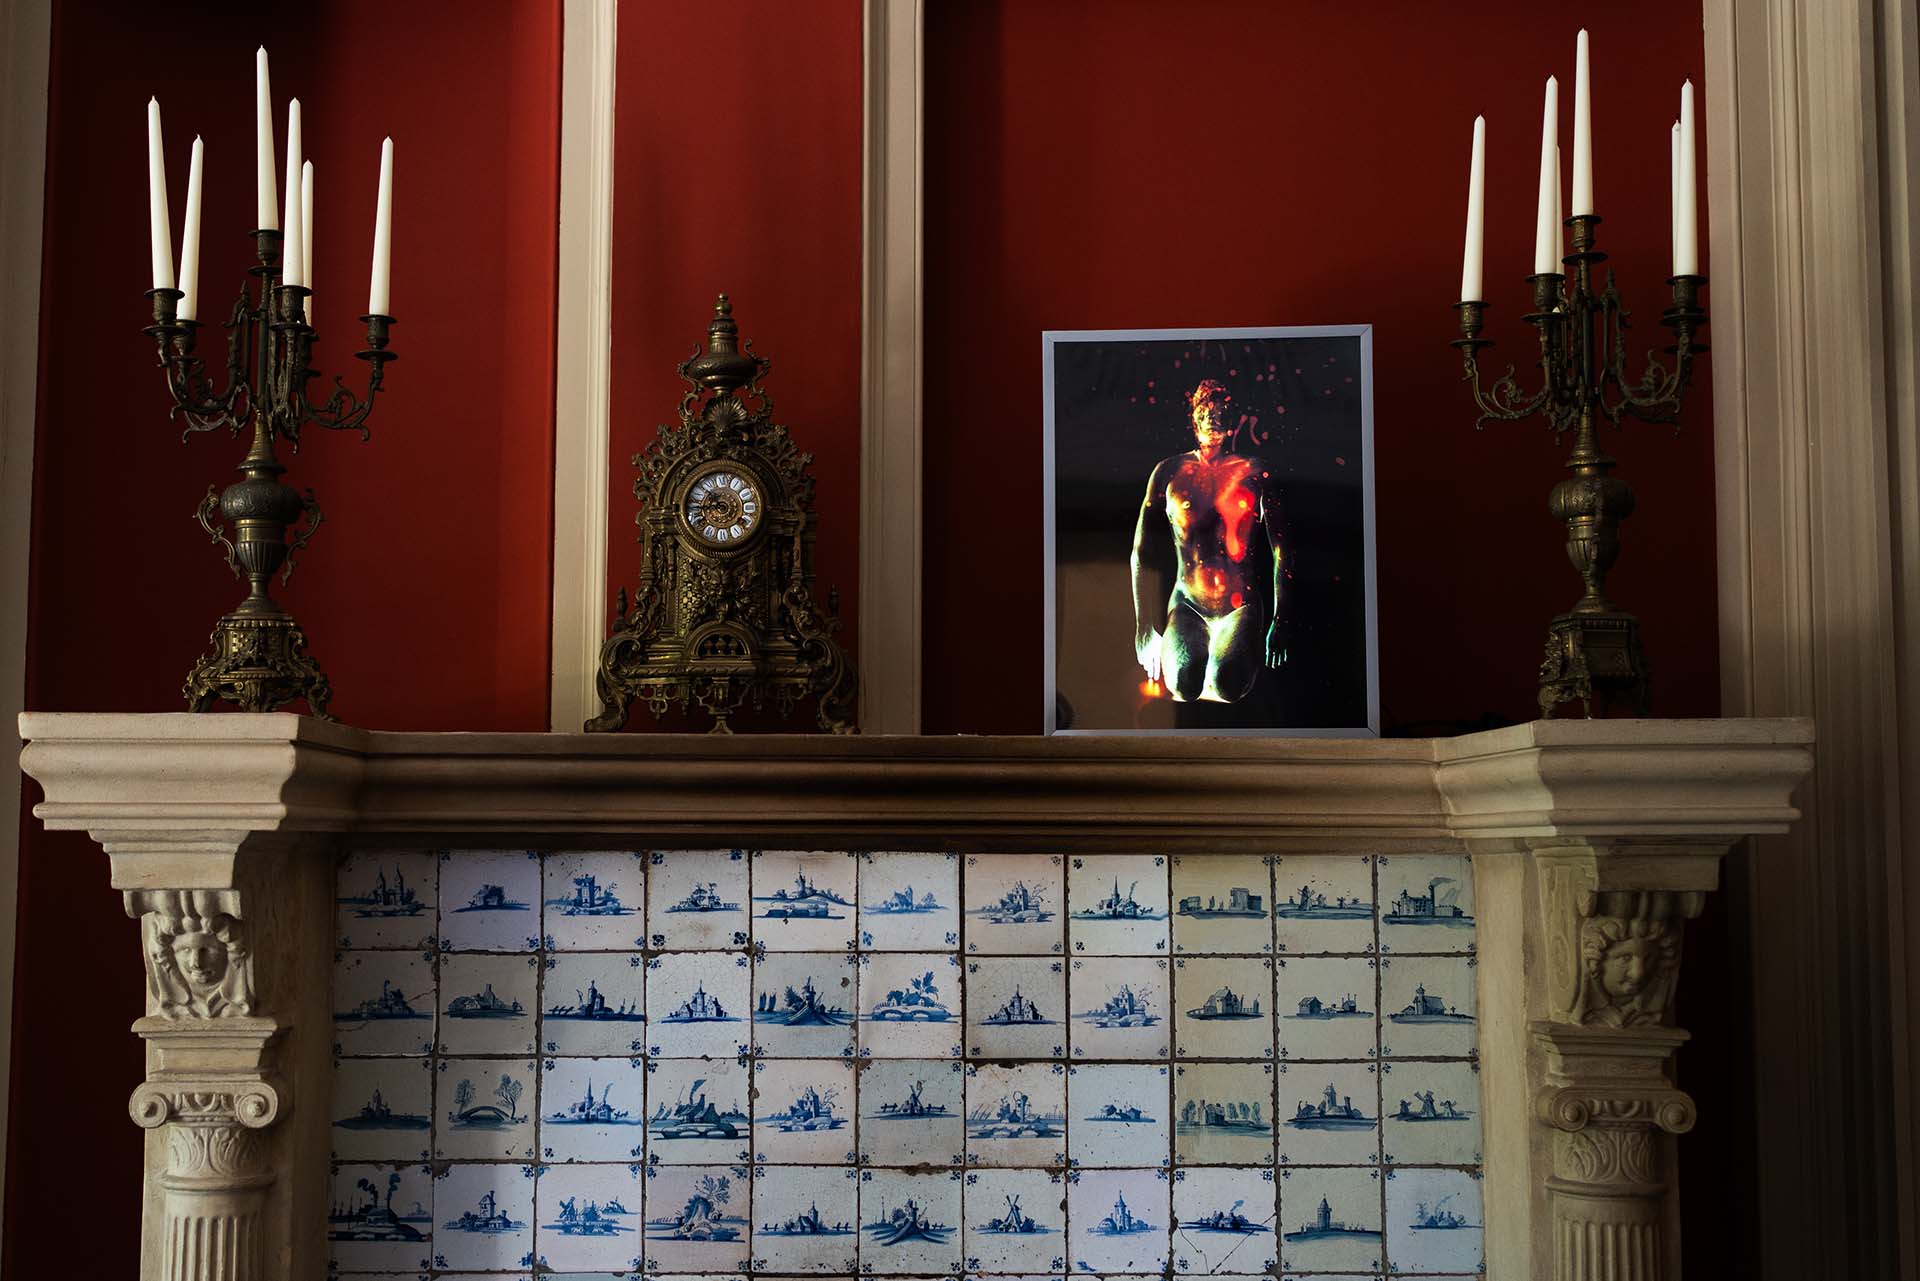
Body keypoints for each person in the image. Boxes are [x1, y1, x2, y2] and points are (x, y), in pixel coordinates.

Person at [1130, 377, 1285, 701]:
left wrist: (1281, 618)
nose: (1213, 419)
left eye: (1220, 412)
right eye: (1206, 412)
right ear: (1194, 417)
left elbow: (1281, 551)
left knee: (1229, 683)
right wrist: (1143, 624)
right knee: (1183, 684)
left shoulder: (1256, 472)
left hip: (1239, 606)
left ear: (1234, 418)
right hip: (1188, 603)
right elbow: (1141, 552)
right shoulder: (1169, 472)